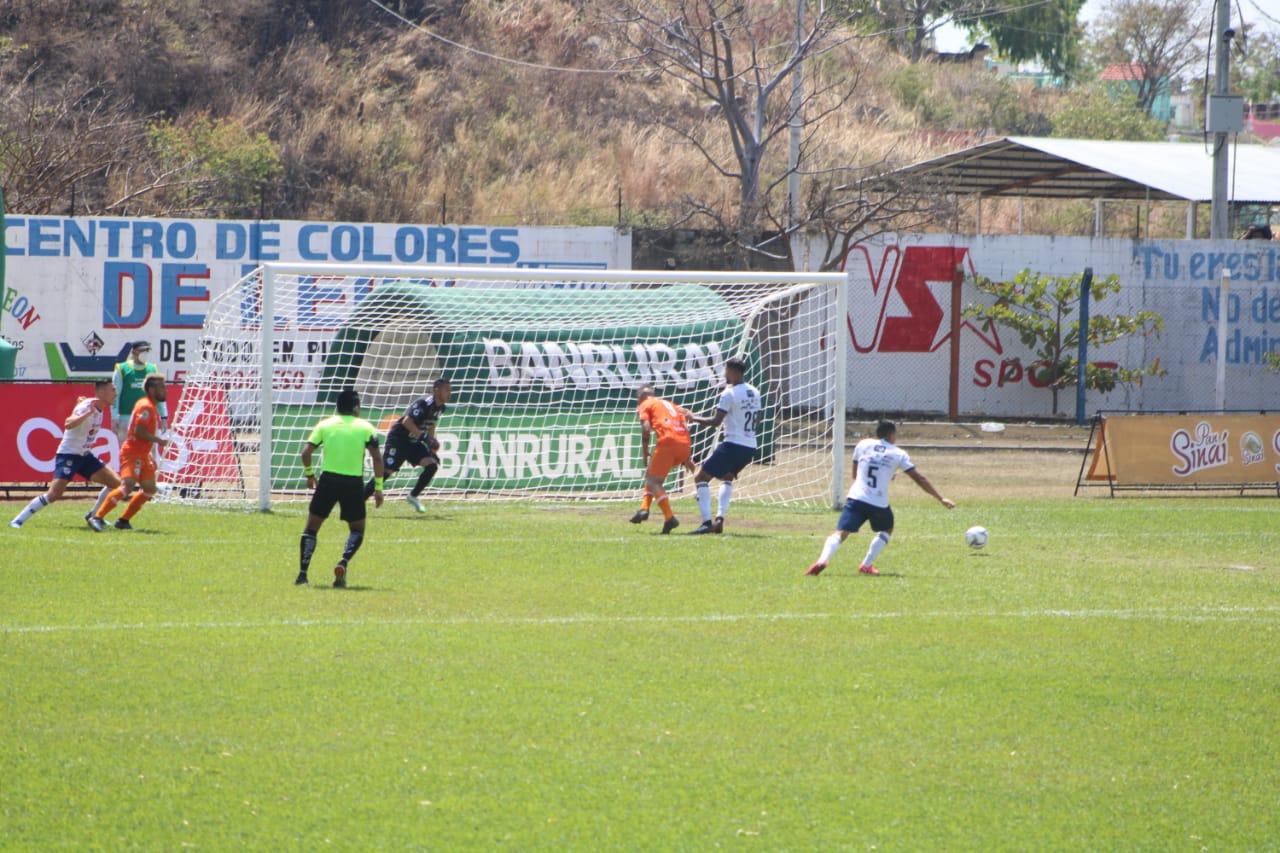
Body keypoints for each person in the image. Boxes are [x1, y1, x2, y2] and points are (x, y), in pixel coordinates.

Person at [806, 420, 954, 577]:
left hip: (856, 498)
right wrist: (940, 498)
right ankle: (866, 565)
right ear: (891, 435)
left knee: (841, 533)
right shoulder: (898, 454)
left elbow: (855, 475)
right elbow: (919, 478)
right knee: (887, 529)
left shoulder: (863, 444)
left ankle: (822, 560)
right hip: (878, 503)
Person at [297, 387, 384, 588]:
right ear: (355, 407)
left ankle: (302, 574)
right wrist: (378, 488)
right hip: (353, 483)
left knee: (311, 528)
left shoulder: (325, 425)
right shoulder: (365, 427)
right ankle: (343, 562)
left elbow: (306, 452)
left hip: (328, 481)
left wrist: (310, 475)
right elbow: (377, 458)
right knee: (357, 530)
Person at [9, 380, 124, 529]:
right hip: (69, 455)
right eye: (113, 390)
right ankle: (17, 520)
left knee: (115, 483)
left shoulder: (98, 406)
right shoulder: (87, 407)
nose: (116, 393)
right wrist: (87, 412)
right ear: (102, 393)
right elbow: (68, 424)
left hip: (85, 455)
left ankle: (94, 516)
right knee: (54, 494)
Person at [90, 341, 167, 519]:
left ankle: (144, 492)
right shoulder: (122, 368)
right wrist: (114, 416)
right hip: (127, 418)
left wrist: (164, 416)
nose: (146, 353)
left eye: (148, 350)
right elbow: (116, 393)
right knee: (129, 469)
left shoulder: (152, 369)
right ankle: (100, 512)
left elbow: (160, 398)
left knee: (152, 458)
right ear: (134, 352)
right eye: (143, 350)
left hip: (150, 421)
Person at [684, 357, 760, 535]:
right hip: (750, 446)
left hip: (732, 444)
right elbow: (758, 419)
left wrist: (693, 417)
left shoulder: (729, 393)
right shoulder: (755, 392)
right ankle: (719, 519)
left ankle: (706, 523)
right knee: (727, 477)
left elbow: (716, 421)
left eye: (726, 370)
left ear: (732, 371)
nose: (725, 374)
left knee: (700, 479)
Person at [366, 377, 451, 513]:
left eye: (450, 390)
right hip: (399, 439)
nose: (449, 393)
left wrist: (430, 445)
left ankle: (413, 496)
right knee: (387, 471)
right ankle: (361, 499)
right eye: (447, 390)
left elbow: (431, 423)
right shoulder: (424, 403)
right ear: (436, 391)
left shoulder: (441, 407)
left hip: (413, 441)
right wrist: (423, 436)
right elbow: (407, 422)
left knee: (431, 465)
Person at [629, 384, 695, 534]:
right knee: (652, 476)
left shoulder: (645, 404)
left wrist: (645, 451)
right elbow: (683, 425)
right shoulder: (670, 404)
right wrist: (687, 457)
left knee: (653, 481)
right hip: (685, 444)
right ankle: (643, 509)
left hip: (668, 443)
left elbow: (646, 429)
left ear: (640, 398)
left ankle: (670, 518)